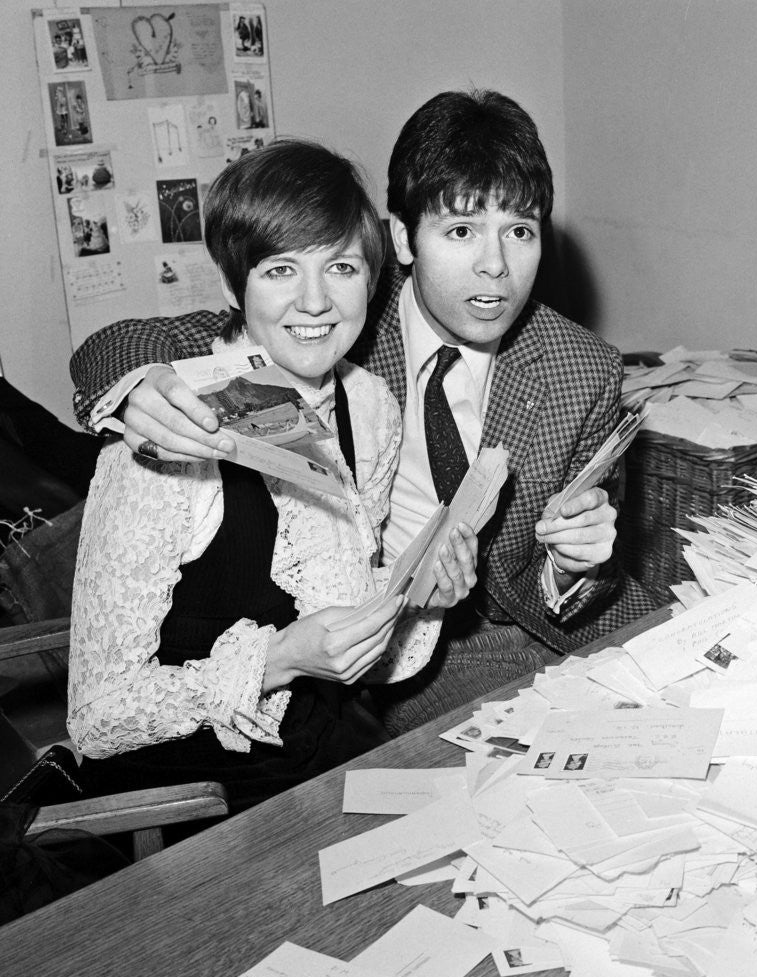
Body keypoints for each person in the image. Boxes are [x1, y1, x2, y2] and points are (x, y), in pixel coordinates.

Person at [69, 89, 660, 731]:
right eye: (461, 231)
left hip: (562, 624)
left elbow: (595, 562)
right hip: (420, 652)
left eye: (520, 231)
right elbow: (147, 339)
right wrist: (135, 386)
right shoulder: (340, 316)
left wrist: (574, 566)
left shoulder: (585, 367)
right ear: (402, 238)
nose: (495, 267)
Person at [67, 140, 477, 813]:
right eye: (281, 269)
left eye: (341, 267)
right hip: (188, 795)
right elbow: (97, 716)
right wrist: (280, 659)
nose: (315, 301)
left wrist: (420, 596)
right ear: (234, 287)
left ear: (371, 280)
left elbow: (345, 637)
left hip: (316, 752)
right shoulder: (170, 426)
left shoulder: (369, 406)